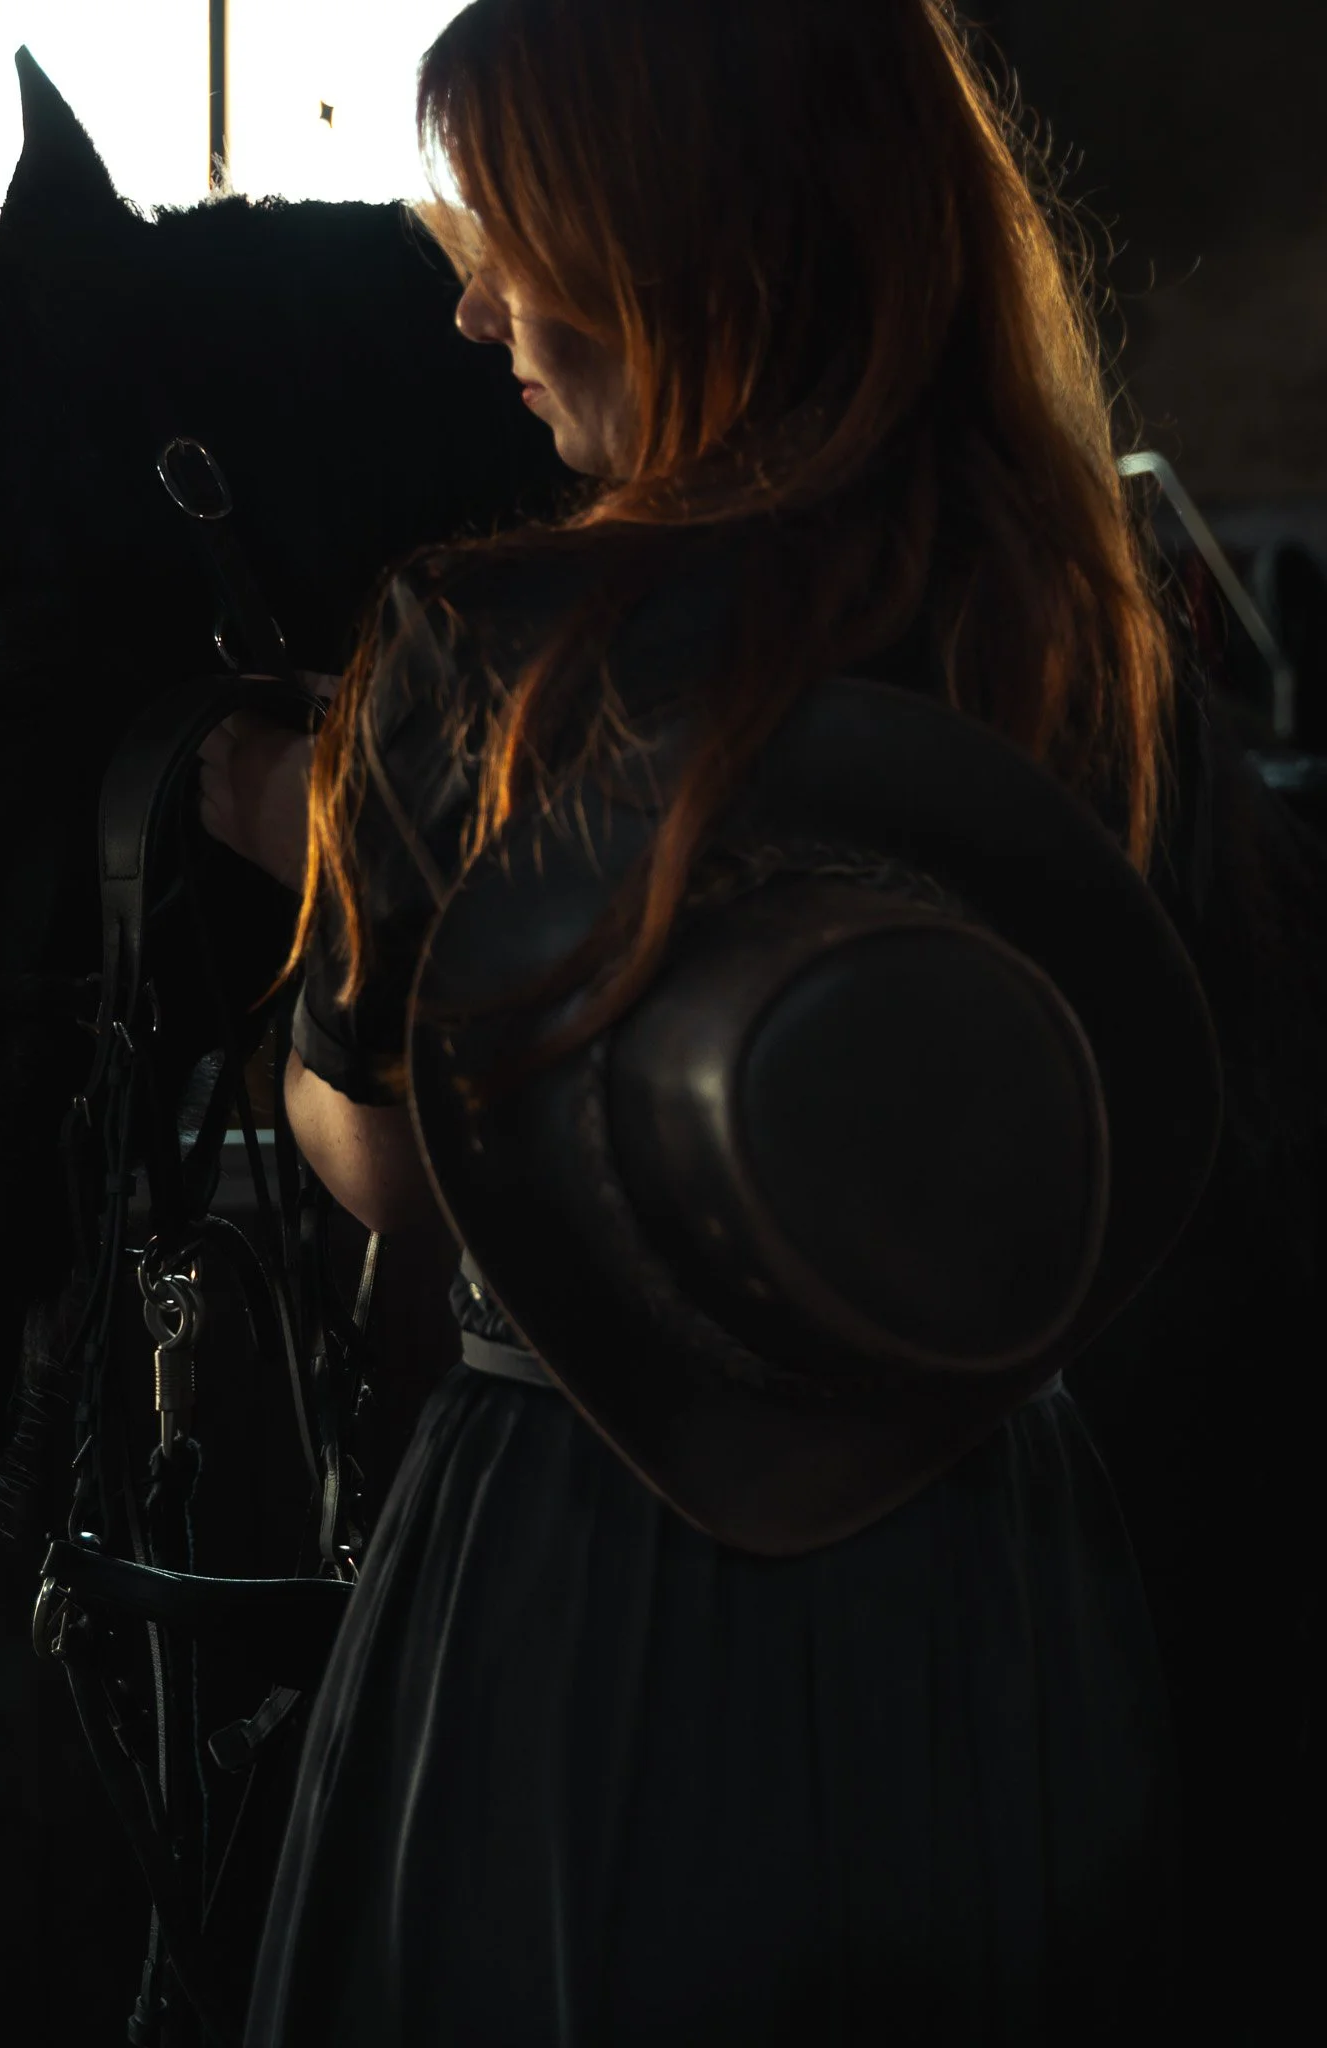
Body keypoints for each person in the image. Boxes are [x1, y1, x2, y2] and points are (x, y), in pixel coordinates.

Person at [198, 3, 1192, 2041]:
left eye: (511, 237)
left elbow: (391, 1158)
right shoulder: (1045, 598)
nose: (473, 310)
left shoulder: (479, 641)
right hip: (983, 1539)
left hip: (585, 1554)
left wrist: (301, 904)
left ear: (667, 242)